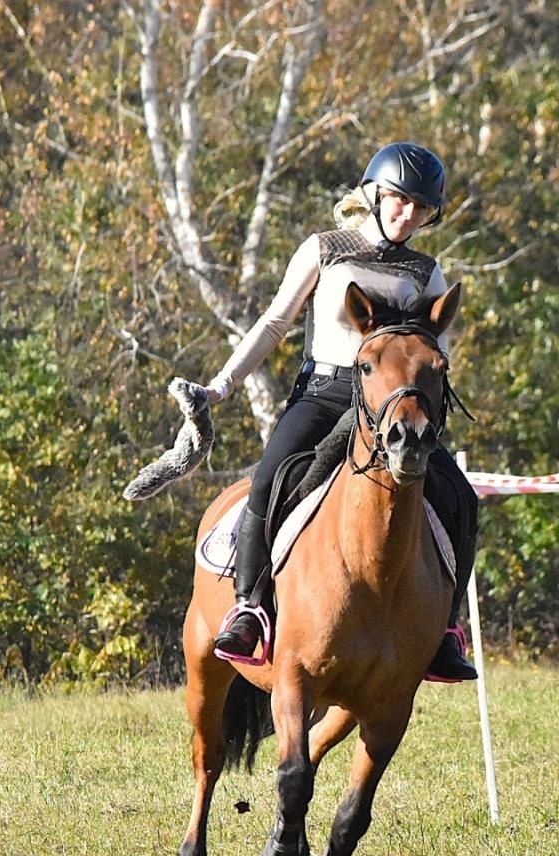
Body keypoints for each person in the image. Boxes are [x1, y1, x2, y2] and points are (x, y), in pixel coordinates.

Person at [202, 141, 478, 682]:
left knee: (461, 497)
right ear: (373, 194)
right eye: (400, 200)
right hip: (325, 394)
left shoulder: (426, 271)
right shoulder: (325, 249)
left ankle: (445, 630)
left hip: (391, 406)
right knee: (271, 477)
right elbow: (274, 322)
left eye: (422, 208)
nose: (409, 215)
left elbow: (437, 351)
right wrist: (222, 385)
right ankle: (249, 609)